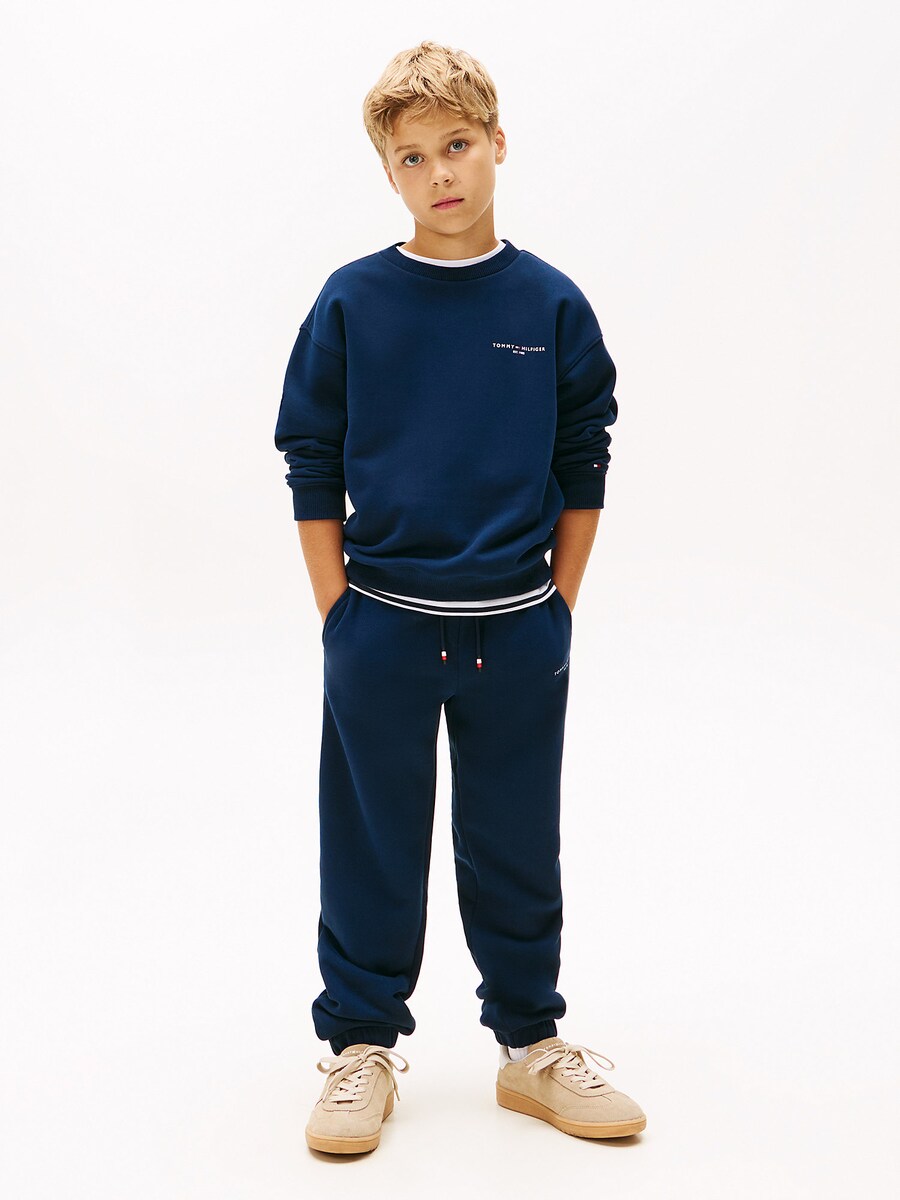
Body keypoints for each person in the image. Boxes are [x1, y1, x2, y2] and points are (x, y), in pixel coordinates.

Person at [274, 39, 647, 1156]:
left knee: (518, 840)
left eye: (458, 145)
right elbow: (311, 454)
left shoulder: (549, 302)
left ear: (497, 145)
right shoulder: (354, 300)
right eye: (412, 157)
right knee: (370, 842)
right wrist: (339, 612)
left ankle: (531, 1046)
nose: (439, 173)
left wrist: (556, 604)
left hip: (517, 632)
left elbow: (585, 454)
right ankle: (360, 1048)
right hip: (382, 627)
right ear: (387, 172)